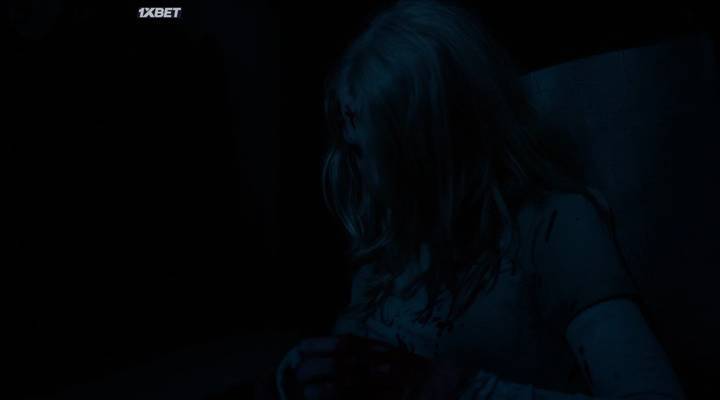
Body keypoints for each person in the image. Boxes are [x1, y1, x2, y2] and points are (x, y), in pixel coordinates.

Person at [274, 1, 686, 399]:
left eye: (366, 151)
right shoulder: (386, 248)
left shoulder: (553, 229)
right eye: (350, 149)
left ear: (425, 142)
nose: (354, 172)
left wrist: (451, 387)